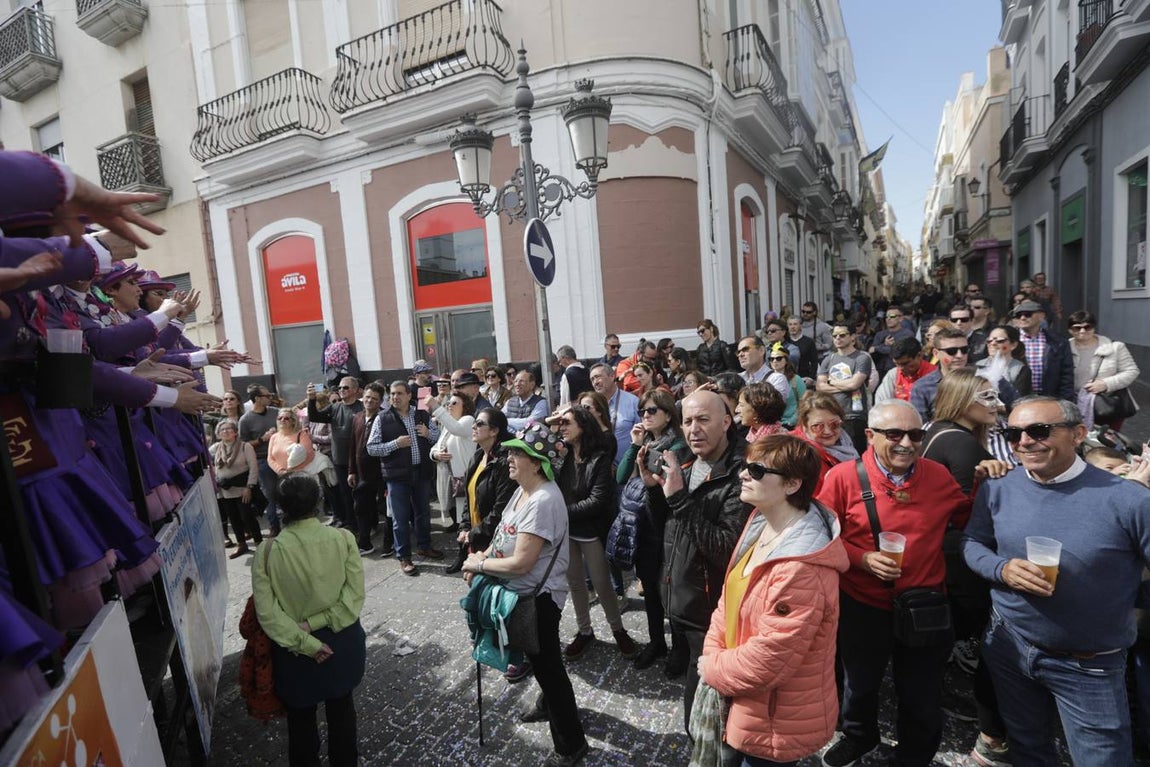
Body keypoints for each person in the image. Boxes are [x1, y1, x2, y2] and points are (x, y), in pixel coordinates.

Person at [962, 396, 1150, 767]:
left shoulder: (1129, 500)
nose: (1024, 442)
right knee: (1028, 749)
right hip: (1010, 646)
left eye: (1039, 430)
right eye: (1013, 433)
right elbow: (972, 542)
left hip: (1089, 662)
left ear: (1078, 433)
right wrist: (1002, 569)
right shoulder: (999, 487)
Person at [817, 400, 970, 767]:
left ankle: (913, 757)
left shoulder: (938, 476)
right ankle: (860, 736)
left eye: (915, 435)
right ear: (870, 436)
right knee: (860, 683)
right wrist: (862, 558)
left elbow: (969, 517)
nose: (906, 443)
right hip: (863, 603)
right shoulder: (842, 477)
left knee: (921, 692)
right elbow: (820, 535)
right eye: (894, 434)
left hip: (924, 604)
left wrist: (994, 478)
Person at [698, 434, 848, 766]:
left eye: (756, 469)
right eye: (744, 466)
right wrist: (714, 651)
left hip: (774, 720)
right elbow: (729, 598)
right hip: (745, 696)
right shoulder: (763, 522)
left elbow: (770, 659)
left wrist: (711, 668)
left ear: (792, 484)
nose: (743, 474)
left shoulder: (801, 567)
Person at [460, 423, 590, 767]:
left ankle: (571, 744)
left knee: (548, 667)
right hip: (520, 594)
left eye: (518, 453)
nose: (509, 458)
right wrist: (482, 557)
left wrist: (480, 565)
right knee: (541, 659)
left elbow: (521, 563)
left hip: (539, 598)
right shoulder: (522, 491)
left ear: (538, 463)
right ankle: (549, 706)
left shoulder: (545, 500)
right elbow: (503, 535)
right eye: (510, 451)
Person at [640, 389, 752, 733]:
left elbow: (725, 548)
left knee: (708, 709)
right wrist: (654, 491)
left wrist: (678, 500)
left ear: (726, 422)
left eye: (703, 419)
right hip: (679, 596)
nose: (693, 429)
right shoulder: (684, 461)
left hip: (712, 611)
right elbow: (668, 529)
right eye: (687, 420)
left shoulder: (742, 474)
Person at [920, 370, 1014, 765]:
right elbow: (962, 510)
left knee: (942, 633)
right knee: (968, 629)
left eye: (995, 397)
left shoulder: (939, 429)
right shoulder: (962, 445)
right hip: (957, 554)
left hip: (937, 550)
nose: (994, 404)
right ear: (963, 401)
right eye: (986, 397)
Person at [251, 474, 366, 767]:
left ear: (281, 507)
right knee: (342, 710)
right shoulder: (343, 538)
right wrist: (317, 624)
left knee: (300, 721)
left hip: (293, 649)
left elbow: (268, 615)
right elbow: (352, 599)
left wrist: (305, 638)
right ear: (319, 502)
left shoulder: (266, 552)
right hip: (341, 640)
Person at [553, 406, 638, 660]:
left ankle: (618, 630)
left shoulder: (600, 457)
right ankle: (585, 631)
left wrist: (561, 512)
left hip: (590, 530)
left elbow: (598, 499)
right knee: (576, 584)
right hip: (568, 531)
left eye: (567, 422)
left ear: (583, 426)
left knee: (602, 584)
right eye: (561, 423)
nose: (562, 427)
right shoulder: (563, 454)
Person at [616, 390, 689, 673]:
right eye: (643, 411)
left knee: (671, 590)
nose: (645, 416)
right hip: (645, 526)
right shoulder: (646, 441)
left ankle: (680, 650)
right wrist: (635, 446)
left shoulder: (679, 447)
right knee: (650, 588)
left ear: (668, 414)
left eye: (652, 411)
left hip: (670, 526)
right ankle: (657, 641)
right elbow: (622, 477)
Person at [366, 380, 442, 576]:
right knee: (399, 519)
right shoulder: (382, 418)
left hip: (421, 472)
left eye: (399, 393)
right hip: (397, 476)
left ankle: (424, 545)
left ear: (409, 395)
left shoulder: (421, 414)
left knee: (423, 513)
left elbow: (439, 436)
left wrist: (428, 434)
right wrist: (394, 444)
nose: (395, 397)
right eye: (392, 394)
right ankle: (404, 556)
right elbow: (371, 448)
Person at [451, 407, 516, 572]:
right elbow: (469, 497)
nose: (473, 427)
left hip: (495, 539)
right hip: (476, 536)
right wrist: (465, 527)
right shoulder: (478, 456)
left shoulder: (504, 463)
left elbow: (501, 509)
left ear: (494, 431)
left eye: (479, 424)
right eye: (474, 423)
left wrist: (474, 533)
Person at [1066, 309, 1140, 430]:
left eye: (1087, 327)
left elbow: (1132, 371)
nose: (1083, 331)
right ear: (1070, 330)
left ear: (1094, 327)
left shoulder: (1115, 347)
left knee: (1108, 442)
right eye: (1077, 328)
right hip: (1074, 404)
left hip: (1107, 404)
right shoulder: (1064, 348)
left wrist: (1105, 384)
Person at [347, 381, 392, 557]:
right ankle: (364, 543)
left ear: (380, 400)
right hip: (362, 474)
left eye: (374, 398)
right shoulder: (357, 417)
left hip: (382, 473)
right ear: (362, 397)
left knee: (387, 510)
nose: (370, 401)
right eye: (367, 397)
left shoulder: (385, 418)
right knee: (361, 508)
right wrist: (351, 470)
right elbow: (352, 445)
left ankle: (389, 543)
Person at [816, 322, 873, 453]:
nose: (838, 338)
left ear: (852, 337)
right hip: (832, 415)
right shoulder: (828, 359)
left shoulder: (862, 357)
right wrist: (845, 385)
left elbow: (855, 384)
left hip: (854, 415)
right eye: (835, 335)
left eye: (842, 335)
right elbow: (820, 387)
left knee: (857, 456)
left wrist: (831, 382)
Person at [210, 419, 262, 558]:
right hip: (225, 490)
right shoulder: (215, 448)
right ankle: (241, 544)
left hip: (242, 488)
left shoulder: (245, 447)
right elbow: (210, 464)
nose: (225, 431)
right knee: (233, 518)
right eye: (222, 430)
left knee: (247, 516)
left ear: (235, 432)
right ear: (218, 434)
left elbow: (253, 468)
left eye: (229, 429)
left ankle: (259, 543)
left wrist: (249, 487)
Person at [428, 391, 476, 532]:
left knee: (466, 516)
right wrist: (436, 455)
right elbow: (435, 447)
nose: (449, 406)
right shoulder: (446, 425)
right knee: (453, 507)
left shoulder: (468, 420)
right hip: (448, 475)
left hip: (463, 477)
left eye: (454, 403)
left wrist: (436, 407)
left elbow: (456, 429)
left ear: (465, 406)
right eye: (448, 403)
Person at [793, 393, 858, 493]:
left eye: (834, 424)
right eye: (818, 426)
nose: (827, 431)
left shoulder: (845, 442)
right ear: (804, 426)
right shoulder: (800, 454)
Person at [240, 385, 283, 534]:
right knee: (270, 494)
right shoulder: (245, 420)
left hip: (281, 457)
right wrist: (262, 439)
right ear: (257, 399)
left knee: (287, 490)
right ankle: (274, 527)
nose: (270, 398)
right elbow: (243, 445)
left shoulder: (276, 413)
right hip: (262, 461)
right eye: (267, 396)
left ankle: (292, 522)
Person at [1011, 299, 1074, 400]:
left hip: (1049, 399)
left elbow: (1066, 373)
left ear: (1041, 316)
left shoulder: (1058, 341)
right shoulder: (1009, 340)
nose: (1022, 318)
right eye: (1018, 315)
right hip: (1017, 399)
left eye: (1027, 314)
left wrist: (1065, 400)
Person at [909, 327, 973, 422]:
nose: (960, 355)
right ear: (936, 353)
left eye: (964, 350)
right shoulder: (922, 387)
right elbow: (920, 426)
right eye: (952, 351)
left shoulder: (982, 379)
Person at [589, 362, 640, 464]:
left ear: (612, 376)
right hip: (601, 469)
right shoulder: (590, 406)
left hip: (628, 469)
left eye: (598, 377)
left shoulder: (632, 402)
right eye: (592, 379)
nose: (595, 382)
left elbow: (643, 434)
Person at [975, 325, 1032, 400]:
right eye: (989, 340)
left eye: (1000, 341)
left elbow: (1020, 400)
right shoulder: (977, 366)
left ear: (1013, 345)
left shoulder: (1021, 370)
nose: (993, 343)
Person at [874, 337, 936, 405]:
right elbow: (883, 404)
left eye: (905, 363)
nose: (900, 368)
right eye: (896, 364)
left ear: (919, 355)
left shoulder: (935, 375)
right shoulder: (893, 374)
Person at [268, 408, 315, 480]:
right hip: (281, 477)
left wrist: (292, 471)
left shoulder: (301, 434)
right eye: (279, 418)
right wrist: (280, 471)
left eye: (286, 418)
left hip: (299, 476)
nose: (282, 420)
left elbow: (309, 455)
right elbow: (270, 458)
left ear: (293, 421)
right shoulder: (274, 437)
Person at [869, 306, 914, 378]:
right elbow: (871, 351)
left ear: (901, 318)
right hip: (880, 371)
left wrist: (878, 348)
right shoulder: (879, 334)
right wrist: (884, 345)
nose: (888, 319)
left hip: (900, 371)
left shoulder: (908, 334)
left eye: (892, 316)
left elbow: (900, 351)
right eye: (886, 316)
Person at [769, 343, 807, 428]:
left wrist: (791, 422)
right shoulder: (767, 379)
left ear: (786, 360)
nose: (774, 361)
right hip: (771, 424)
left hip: (791, 424)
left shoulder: (796, 379)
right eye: (771, 359)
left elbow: (805, 403)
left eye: (778, 358)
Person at [786, 315, 820, 382]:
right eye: (790, 324)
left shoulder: (809, 342)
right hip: (788, 377)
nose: (792, 327)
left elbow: (814, 361)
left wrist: (811, 378)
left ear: (800, 326)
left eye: (795, 324)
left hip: (804, 377)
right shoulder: (785, 342)